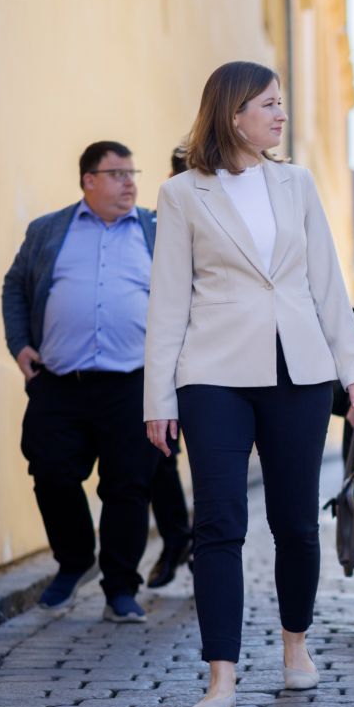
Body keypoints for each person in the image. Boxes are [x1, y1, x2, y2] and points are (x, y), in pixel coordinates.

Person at [144, 61, 354, 707]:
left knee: (295, 522)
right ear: (233, 113)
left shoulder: (295, 183)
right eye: (268, 105)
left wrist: (352, 366)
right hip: (212, 373)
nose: (280, 115)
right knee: (218, 522)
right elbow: (167, 301)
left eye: (281, 105)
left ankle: (295, 648)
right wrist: (158, 399)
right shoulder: (183, 193)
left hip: (297, 371)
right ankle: (221, 677)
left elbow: (325, 283)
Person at [2, 140, 159, 622]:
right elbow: (15, 284)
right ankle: (74, 562)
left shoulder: (160, 230)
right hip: (59, 379)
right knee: (50, 470)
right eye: (116, 173)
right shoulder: (49, 229)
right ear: (88, 180)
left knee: (128, 486)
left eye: (132, 172)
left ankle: (120, 588)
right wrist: (20, 342)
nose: (129, 182)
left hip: (133, 381)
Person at [146, 143, 196, 588]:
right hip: (164, 364)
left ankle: (201, 541)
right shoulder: (153, 227)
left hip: (207, 364)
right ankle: (180, 538)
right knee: (160, 457)